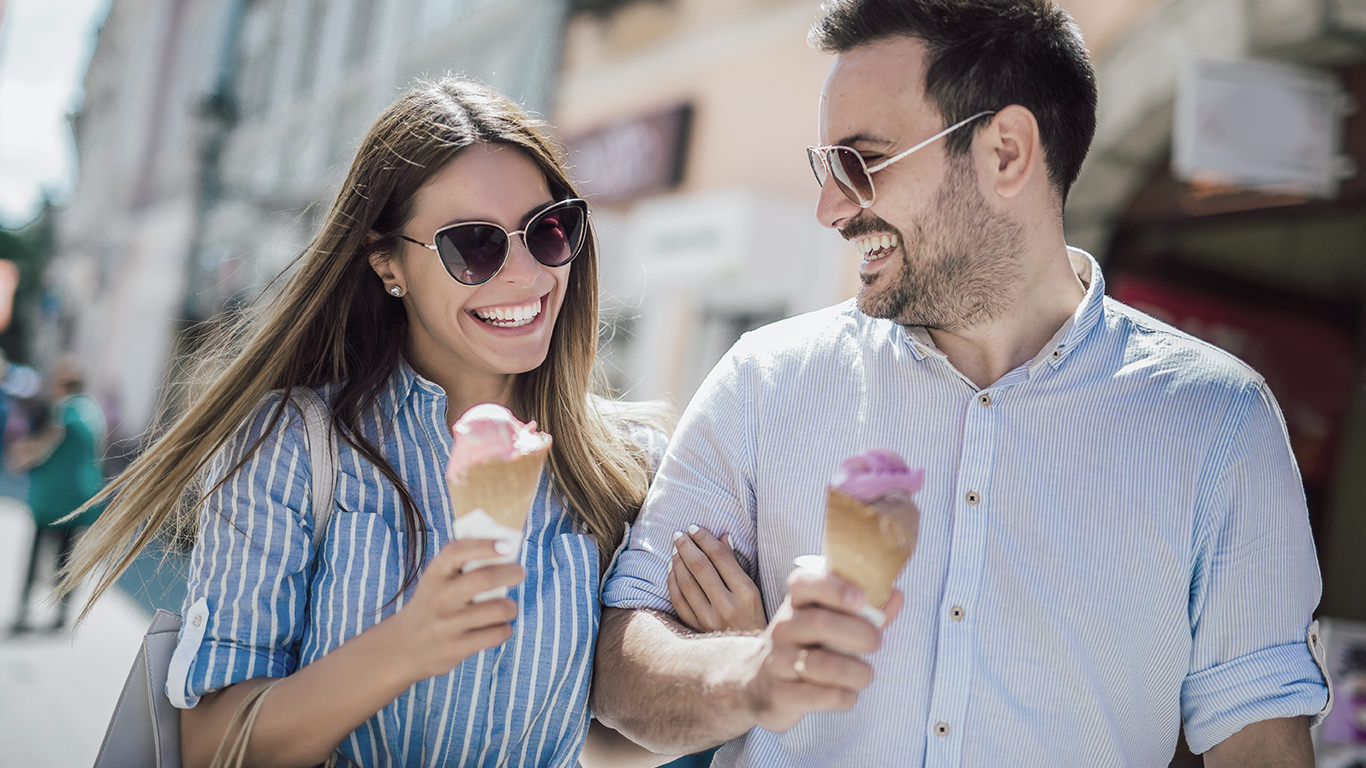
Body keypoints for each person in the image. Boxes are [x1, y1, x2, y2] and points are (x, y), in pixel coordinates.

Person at [592, 1, 1331, 766]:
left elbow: (1262, 746)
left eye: (861, 161)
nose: (830, 208)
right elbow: (619, 672)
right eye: (826, 167)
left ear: (1006, 152)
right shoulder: (762, 383)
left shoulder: (1219, 422)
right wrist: (752, 676)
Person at [59, 77, 758, 768]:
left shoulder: (627, 461)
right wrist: (406, 645)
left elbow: (604, 741)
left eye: (548, 232)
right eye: (475, 245)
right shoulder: (294, 446)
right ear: (386, 262)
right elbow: (211, 745)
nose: (526, 275)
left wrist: (721, 678)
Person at [7, 357, 107, 633]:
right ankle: (62, 614)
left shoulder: (66, 409)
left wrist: (20, 456)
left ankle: (24, 612)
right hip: (81, 495)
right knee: (66, 558)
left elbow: (46, 443)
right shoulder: (92, 409)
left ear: (65, 384)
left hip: (53, 497)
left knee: (37, 554)